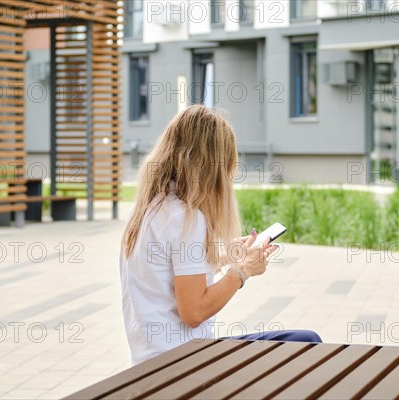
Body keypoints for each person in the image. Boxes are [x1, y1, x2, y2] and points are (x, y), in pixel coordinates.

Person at [119, 105, 321, 364]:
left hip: (152, 360)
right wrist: (242, 271)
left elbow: (168, 273)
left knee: (301, 340)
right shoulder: (186, 217)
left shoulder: (148, 208)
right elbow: (193, 312)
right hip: (184, 364)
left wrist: (224, 256)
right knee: (307, 343)